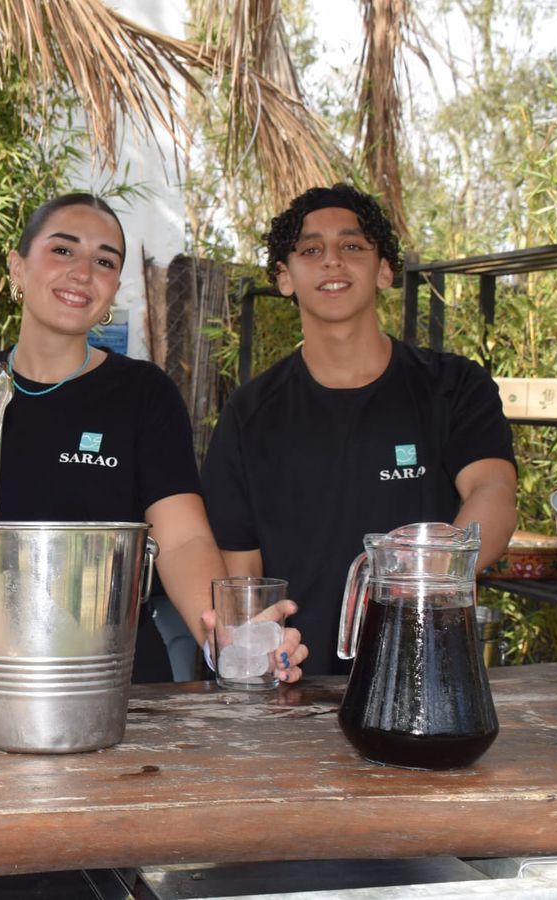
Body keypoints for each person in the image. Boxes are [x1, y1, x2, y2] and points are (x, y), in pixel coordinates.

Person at [0, 193, 308, 688]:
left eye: (104, 261)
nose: (83, 272)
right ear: (18, 266)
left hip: (121, 681)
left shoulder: (143, 393)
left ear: (114, 288)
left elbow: (182, 539)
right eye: (63, 250)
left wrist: (224, 638)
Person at [199, 183, 518, 676]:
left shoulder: (455, 386)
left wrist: (423, 582)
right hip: (294, 682)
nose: (332, 261)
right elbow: (241, 575)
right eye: (311, 250)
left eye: (352, 246)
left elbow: (492, 492)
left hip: (422, 673)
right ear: (284, 277)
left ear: (384, 269)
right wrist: (259, 648)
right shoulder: (249, 413)